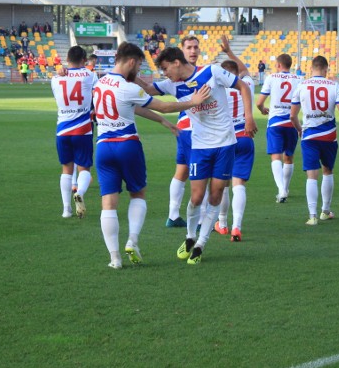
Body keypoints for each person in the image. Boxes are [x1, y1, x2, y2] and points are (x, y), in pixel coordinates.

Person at [93, 42, 211, 269]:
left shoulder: (99, 84)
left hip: (104, 147)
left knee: (108, 203)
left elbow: (133, 107)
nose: (137, 70)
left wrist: (162, 122)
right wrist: (191, 102)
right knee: (138, 194)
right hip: (127, 145)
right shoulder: (128, 87)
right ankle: (133, 241)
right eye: (137, 64)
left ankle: (114, 258)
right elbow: (162, 106)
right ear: (130, 61)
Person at [154, 46, 257, 265]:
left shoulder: (212, 71)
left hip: (226, 144)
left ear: (176, 62)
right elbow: (146, 88)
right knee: (196, 197)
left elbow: (243, 87)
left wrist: (249, 117)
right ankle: (190, 236)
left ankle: (201, 243)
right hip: (200, 147)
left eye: (165, 68)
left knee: (216, 194)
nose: (165, 74)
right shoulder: (172, 84)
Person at [135, 35, 203, 228]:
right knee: (201, 174)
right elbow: (149, 89)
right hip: (192, 132)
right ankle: (200, 219)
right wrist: (133, 77)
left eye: (196, 47)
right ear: (181, 52)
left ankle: (173, 216)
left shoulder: (203, 72)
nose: (193, 51)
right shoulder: (173, 80)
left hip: (185, 131)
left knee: (181, 172)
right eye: (189, 47)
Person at [290, 56, 339, 225]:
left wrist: (299, 129)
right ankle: (325, 211)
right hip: (329, 135)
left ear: (311, 68)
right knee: (327, 170)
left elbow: (292, 115)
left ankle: (312, 216)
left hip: (309, 135)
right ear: (326, 69)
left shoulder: (302, 85)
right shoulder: (334, 86)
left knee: (311, 175)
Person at [214, 36, 256, 241]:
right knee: (239, 183)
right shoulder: (246, 83)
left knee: (223, 184)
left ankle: (222, 223)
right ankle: (236, 227)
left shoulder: (217, 88)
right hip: (245, 136)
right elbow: (245, 71)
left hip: (224, 139)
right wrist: (229, 52)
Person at [53, 46, 97, 219]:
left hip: (62, 129)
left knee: (66, 169)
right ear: (84, 60)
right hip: (83, 128)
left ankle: (66, 209)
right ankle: (80, 192)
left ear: (67, 59)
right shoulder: (90, 75)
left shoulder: (55, 78)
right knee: (84, 168)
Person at [256, 53, 303, 203]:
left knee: (276, 156)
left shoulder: (271, 78)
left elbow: (259, 102)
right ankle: (285, 189)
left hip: (275, 122)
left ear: (278, 65)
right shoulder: (299, 79)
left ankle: (281, 189)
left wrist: (262, 109)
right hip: (292, 122)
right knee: (288, 156)